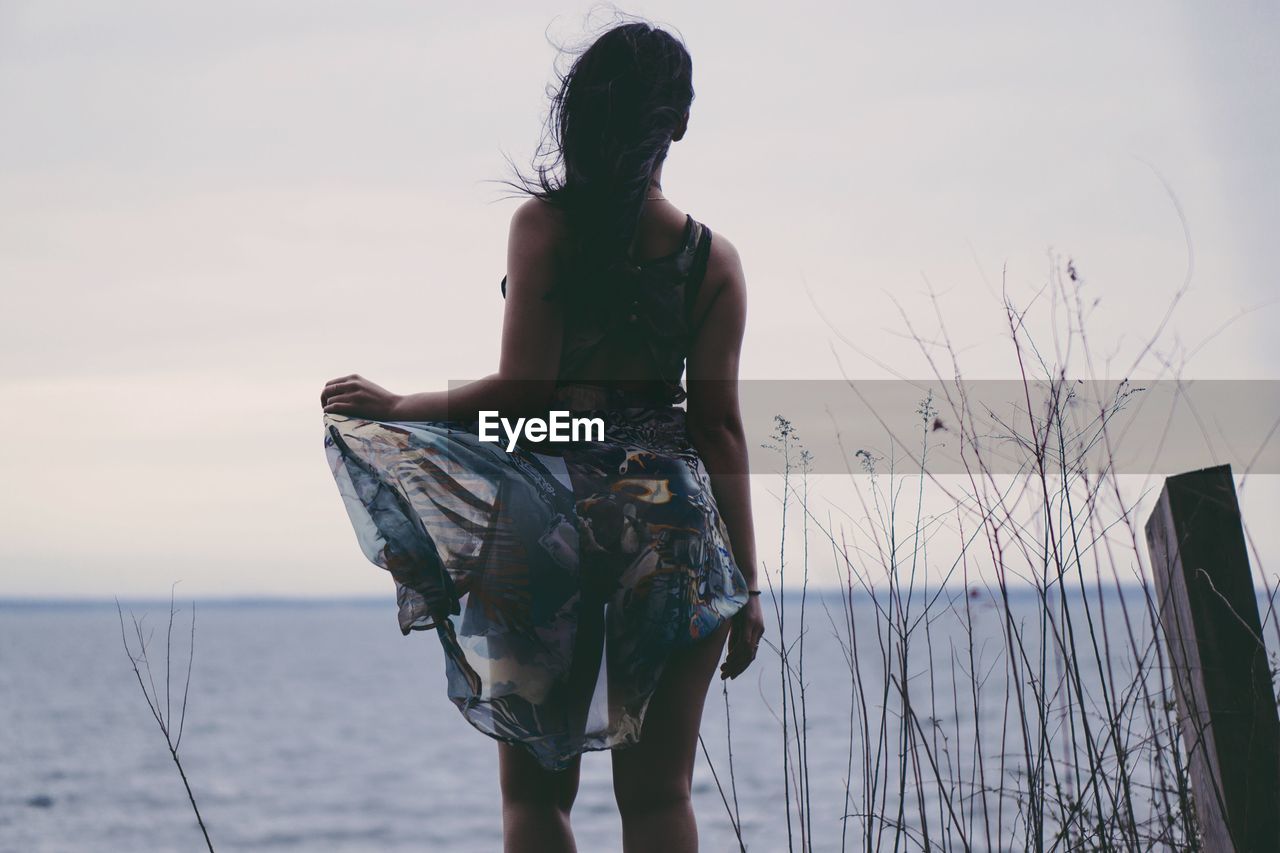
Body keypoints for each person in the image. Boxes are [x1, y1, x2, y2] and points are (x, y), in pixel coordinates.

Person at [319, 18, 764, 853]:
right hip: (670, 515)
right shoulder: (714, 263)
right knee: (660, 796)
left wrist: (400, 403)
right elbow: (720, 429)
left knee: (534, 800)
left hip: (544, 512)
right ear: (680, 122)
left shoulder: (545, 228)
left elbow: (525, 397)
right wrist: (749, 582)